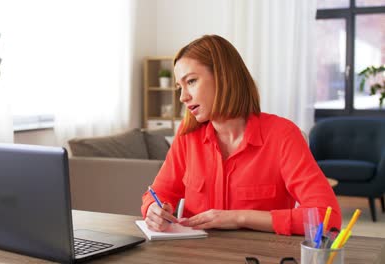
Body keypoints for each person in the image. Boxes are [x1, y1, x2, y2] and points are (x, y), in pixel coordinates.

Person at [141, 35, 341, 236]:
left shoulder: (283, 135)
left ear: (223, 77)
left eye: (191, 81)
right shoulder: (188, 136)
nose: (183, 97)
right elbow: (159, 194)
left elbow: (327, 217)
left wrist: (238, 217)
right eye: (179, 87)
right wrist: (153, 210)